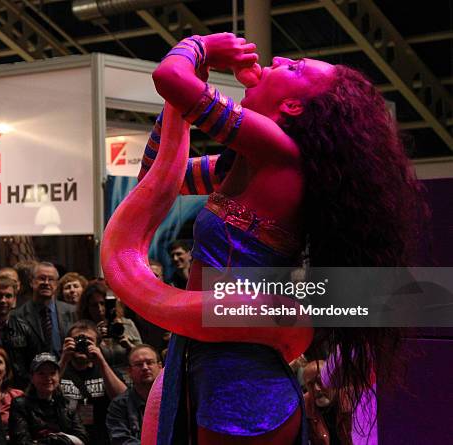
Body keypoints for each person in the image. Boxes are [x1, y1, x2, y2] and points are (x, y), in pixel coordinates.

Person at [103, 32, 426, 444]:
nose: (283, 59)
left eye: (295, 69)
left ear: (292, 106)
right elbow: (157, 179)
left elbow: (169, 76)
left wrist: (200, 45)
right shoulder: (242, 163)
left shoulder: (280, 150)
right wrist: (180, 101)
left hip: (240, 387)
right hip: (212, 363)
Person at [60, 320, 127, 444]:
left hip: (102, 437)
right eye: (77, 340)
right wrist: (64, 358)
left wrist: (101, 361)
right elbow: (43, 393)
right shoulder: (58, 369)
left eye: (88, 340)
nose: (82, 344)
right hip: (67, 438)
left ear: (98, 345)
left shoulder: (106, 370)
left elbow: (123, 400)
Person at [9, 352, 89, 445]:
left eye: (52, 373)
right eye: (41, 373)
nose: (48, 378)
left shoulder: (68, 403)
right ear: (32, 377)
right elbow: (21, 442)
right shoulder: (20, 404)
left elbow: (83, 438)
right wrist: (60, 440)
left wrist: (59, 438)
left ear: (58, 376)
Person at [76, 281, 142, 385]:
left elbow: (142, 354)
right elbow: (79, 362)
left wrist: (128, 345)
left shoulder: (126, 324)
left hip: (129, 379)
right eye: (94, 305)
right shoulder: (83, 329)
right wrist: (95, 338)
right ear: (87, 307)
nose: (100, 309)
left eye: (103, 303)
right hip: (98, 380)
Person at [15, 262, 76, 358]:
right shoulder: (18, 316)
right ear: (31, 282)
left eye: (51, 279)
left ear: (56, 284)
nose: (46, 283)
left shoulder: (72, 312)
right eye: (42, 278)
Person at [106, 345, 163, 444]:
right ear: (129, 372)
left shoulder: (173, 400)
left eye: (149, 362)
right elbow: (120, 439)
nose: (145, 368)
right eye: (139, 364)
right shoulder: (119, 404)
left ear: (160, 367)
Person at [303, 361, 352, 445]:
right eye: (310, 384)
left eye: (320, 381)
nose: (317, 389)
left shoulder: (351, 397)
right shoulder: (303, 408)